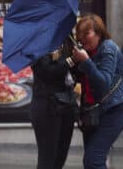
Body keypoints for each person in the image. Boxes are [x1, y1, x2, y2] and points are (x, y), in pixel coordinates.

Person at [71, 13, 123, 169]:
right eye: (80, 35)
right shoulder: (87, 51)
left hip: (112, 111)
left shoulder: (108, 48)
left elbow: (103, 84)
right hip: (92, 113)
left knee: (94, 159)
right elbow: (80, 80)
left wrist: (86, 62)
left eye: (87, 33)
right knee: (90, 161)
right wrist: (75, 64)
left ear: (99, 32)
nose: (82, 38)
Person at [29, 37, 78, 169]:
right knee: (48, 159)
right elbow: (47, 71)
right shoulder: (37, 41)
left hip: (66, 103)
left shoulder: (66, 37)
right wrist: (71, 60)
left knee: (60, 157)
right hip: (47, 105)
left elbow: (73, 71)